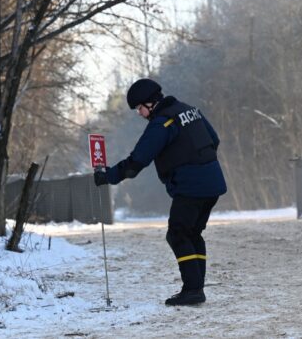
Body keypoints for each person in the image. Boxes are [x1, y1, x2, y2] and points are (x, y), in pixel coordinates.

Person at [93, 78, 227, 306]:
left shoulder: (162, 123)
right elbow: (214, 139)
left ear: (150, 103)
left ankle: (193, 290)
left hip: (191, 186)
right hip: (212, 182)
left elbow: (137, 161)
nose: (139, 113)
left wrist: (109, 175)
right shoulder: (189, 110)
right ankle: (196, 288)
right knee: (192, 234)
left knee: (177, 234)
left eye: (139, 108)